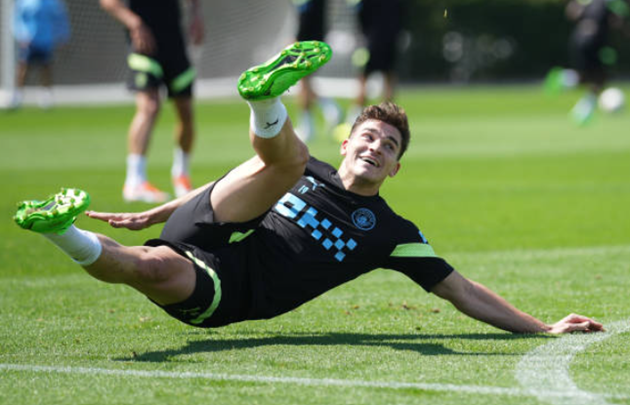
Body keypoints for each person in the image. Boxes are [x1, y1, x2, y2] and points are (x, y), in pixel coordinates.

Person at [14, 41, 603, 335]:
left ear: (395, 169)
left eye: (389, 147)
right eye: (369, 138)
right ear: (347, 143)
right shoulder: (311, 166)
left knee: (147, 269)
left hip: (233, 287)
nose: (377, 148)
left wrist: (544, 328)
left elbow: (462, 291)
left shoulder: (392, 235)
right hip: (215, 218)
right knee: (288, 165)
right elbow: (229, 182)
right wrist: (160, 210)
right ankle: (264, 97)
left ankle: (59, 229)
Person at [100, 0, 204, 203]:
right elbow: (108, 2)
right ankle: (134, 180)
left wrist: (196, 15)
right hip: (144, 45)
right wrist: (134, 23)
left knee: (186, 112)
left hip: (174, 42)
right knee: (150, 106)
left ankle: (181, 176)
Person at [543, 0, 630, 125]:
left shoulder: (590, 1)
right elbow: (618, 21)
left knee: (587, 76)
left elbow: (572, 11)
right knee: (599, 79)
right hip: (595, 42)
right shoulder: (614, 3)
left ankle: (565, 80)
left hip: (578, 39)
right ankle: (581, 110)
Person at [345, 0, 404, 125]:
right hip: (390, 38)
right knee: (388, 78)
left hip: (370, 40)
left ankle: (355, 118)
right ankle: (388, 118)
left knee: (363, 79)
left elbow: (359, 12)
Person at [292, 0, 342, 143]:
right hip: (317, 37)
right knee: (305, 82)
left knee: (303, 81)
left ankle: (307, 127)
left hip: (307, 39)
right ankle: (330, 107)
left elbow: (305, 15)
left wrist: (296, 39)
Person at [11, 0, 71, 110]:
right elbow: (17, 19)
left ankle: (46, 96)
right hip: (28, 40)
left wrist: (62, 35)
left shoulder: (52, 3)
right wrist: (21, 35)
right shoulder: (24, 2)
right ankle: (17, 96)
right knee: (23, 67)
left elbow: (60, 18)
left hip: (45, 39)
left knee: (45, 67)